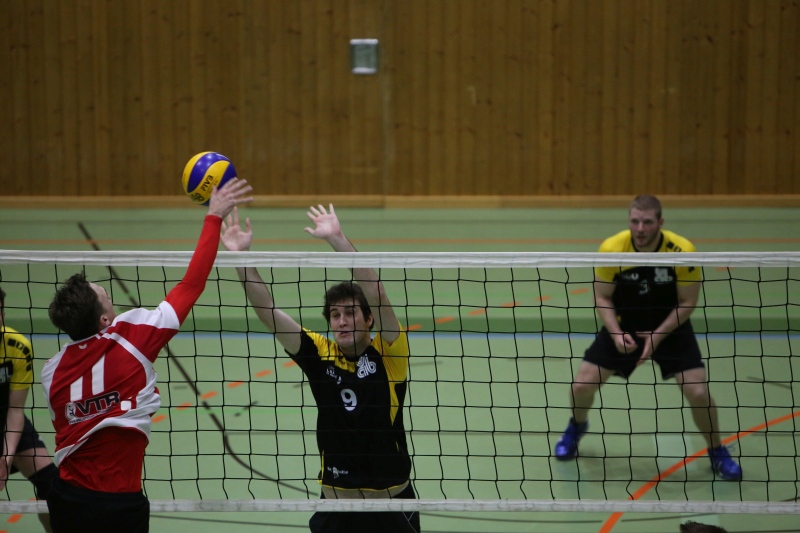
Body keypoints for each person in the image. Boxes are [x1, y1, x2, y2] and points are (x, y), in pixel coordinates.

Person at [41, 178, 252, 533]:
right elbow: (191, 285)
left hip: (67, 499)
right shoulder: (131, 337)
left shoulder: (50, 372)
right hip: (119, 504)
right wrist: (213, 217)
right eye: (105, 295)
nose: (108, 294)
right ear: (104, 320)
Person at [220, 204, 420, 533]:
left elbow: (377, 293)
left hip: (392, 506)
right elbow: (267, 311)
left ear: (369, 319)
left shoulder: (389, 353)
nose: (341, 321)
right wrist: (241, 259)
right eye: (335, 315)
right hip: (336, 507)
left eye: (350, 313)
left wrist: (337, 238)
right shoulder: (319, 353)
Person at [553, 194, 742, 481]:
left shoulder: (682, 251)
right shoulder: (612, 249)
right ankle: (577, 426)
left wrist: (657, 336)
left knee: (698, 393)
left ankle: (717, 450)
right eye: (635, 221)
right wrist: (616, 334)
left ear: (660, 222)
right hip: (625, 325)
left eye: (647, 222)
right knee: (581, 386)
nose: (640, 229)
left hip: (671, 328)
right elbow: (602, 297)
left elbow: (688, 302)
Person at [0, 287, 58, 532]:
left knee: (51, 485)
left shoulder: (17, 347)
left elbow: (15, 410)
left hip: (6, 419)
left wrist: (6, 458)